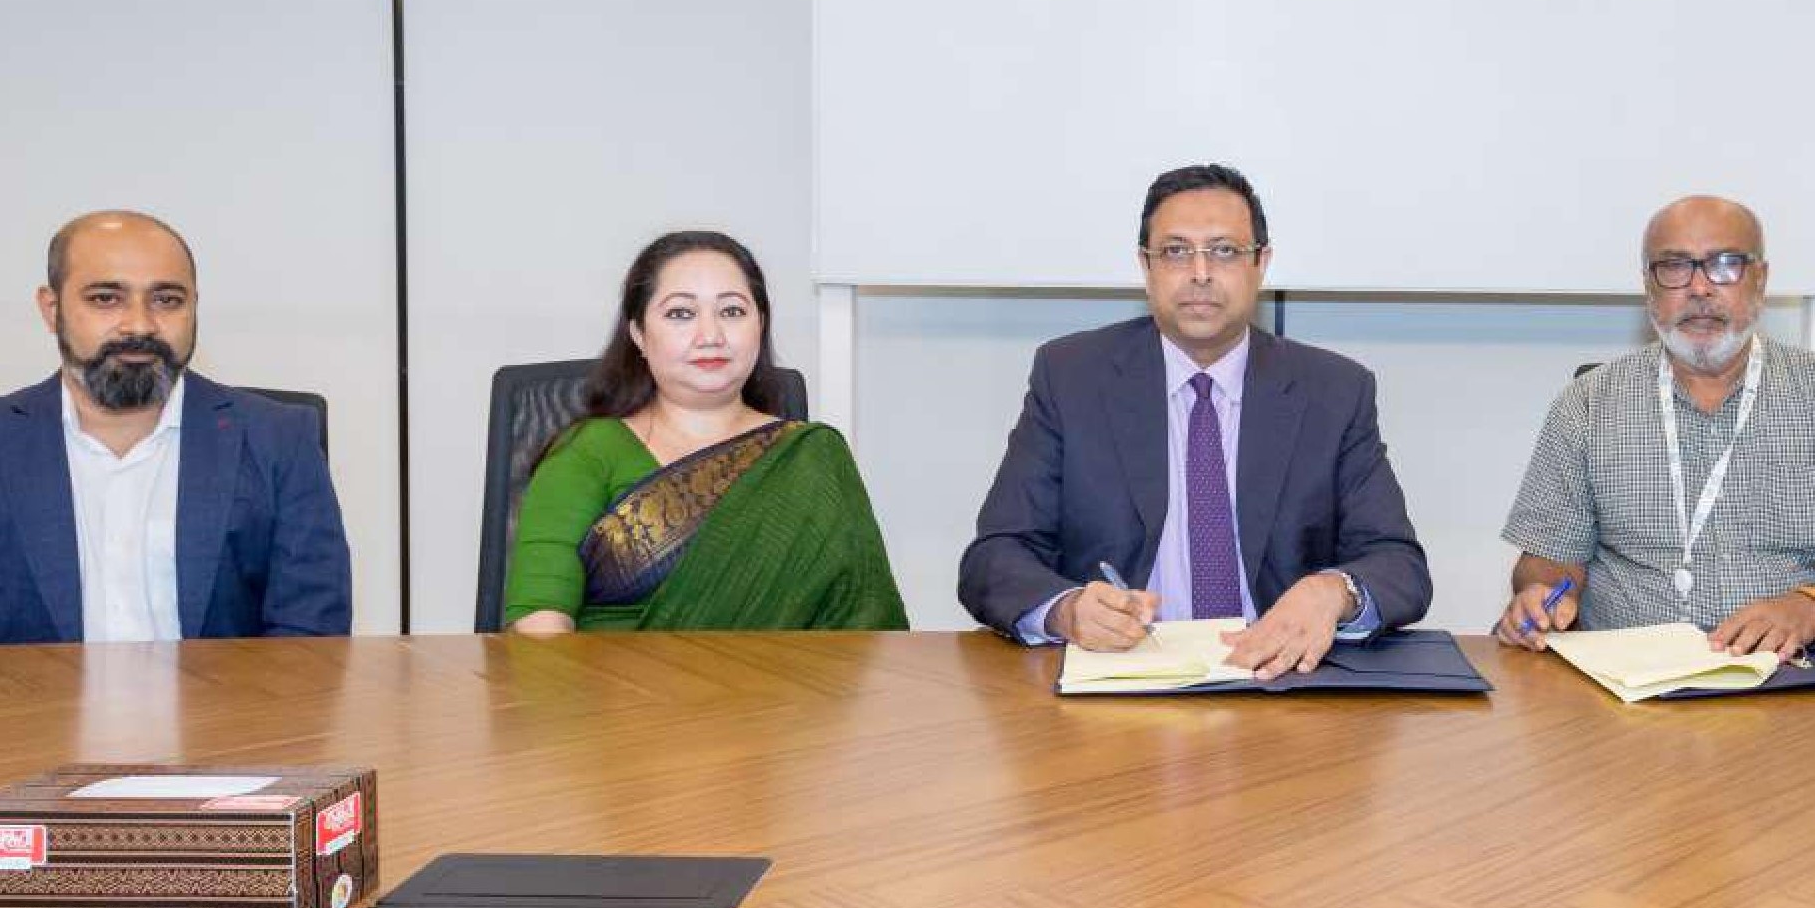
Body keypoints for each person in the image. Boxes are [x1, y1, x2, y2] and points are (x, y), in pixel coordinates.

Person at [958, 163, 1432, 679]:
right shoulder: (1071, 377)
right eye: (1176, 251)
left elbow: (1398, 565)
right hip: (1123, 684)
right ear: (1147, 266)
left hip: (1280, 680)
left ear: (1261, 264)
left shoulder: (1333, 391)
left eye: (1225, 251)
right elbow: (995, 557)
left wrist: (1333, 592)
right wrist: (1067, 610)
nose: (1201, 273)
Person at [0, 210, 351, 646]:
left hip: (225, 742)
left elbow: (311, 646)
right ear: (52, 310)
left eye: (167, 300)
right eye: (106, 299)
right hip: (20, 743)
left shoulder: (279, 442)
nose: (139, 325)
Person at [1493, 195, 1815, 659]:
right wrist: (1541, 596)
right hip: (1628, 683)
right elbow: (1547, 562)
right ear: (1649, 288)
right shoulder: (1588, 404)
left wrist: (1809, 606)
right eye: (1674, 266)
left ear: (1760, 280)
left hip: (1797, 673)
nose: (1700, 288)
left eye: (1725, 264)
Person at [505, 230, 906, 633]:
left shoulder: (812, 457)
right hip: (613, 692)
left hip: (783, 693)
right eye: (681, 313)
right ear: (639, 334)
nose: (710, 336)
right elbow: (540, 626)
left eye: (731, 311)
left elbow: (864, 631)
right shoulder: (588, 452)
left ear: (760, 326)